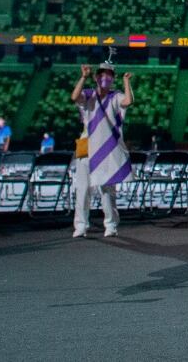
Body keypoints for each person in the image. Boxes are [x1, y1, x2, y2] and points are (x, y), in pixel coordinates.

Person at [70, 54, 134, 238]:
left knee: (107, 190)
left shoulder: (116, 97)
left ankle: (111, 224)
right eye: (101, 74)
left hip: (108, 149)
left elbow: (128, 101)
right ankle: (81, 225)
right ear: (96, 77)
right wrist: (83, 76)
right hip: (87, 146)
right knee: (83, 189)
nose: (104, 78)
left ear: (113, 78)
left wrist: (127, 82)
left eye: (109, 75)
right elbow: (74, 97)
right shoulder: (89, 95)